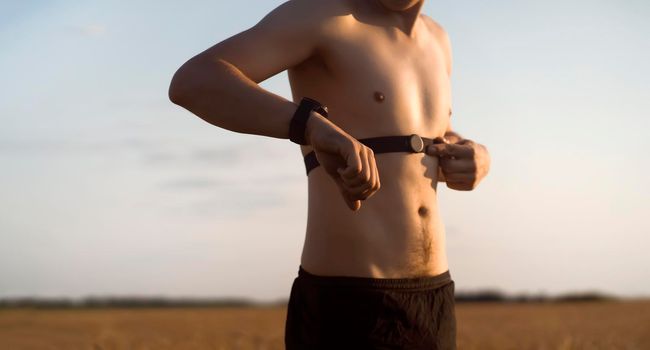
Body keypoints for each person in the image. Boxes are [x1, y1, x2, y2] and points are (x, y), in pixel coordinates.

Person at [168, 0, 490, 348]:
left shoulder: (438, 38)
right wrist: (309, 126)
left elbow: (439, 131)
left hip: (435, 299)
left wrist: (475, 155)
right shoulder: (322, 14)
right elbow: (194, 80)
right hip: (349, 304)